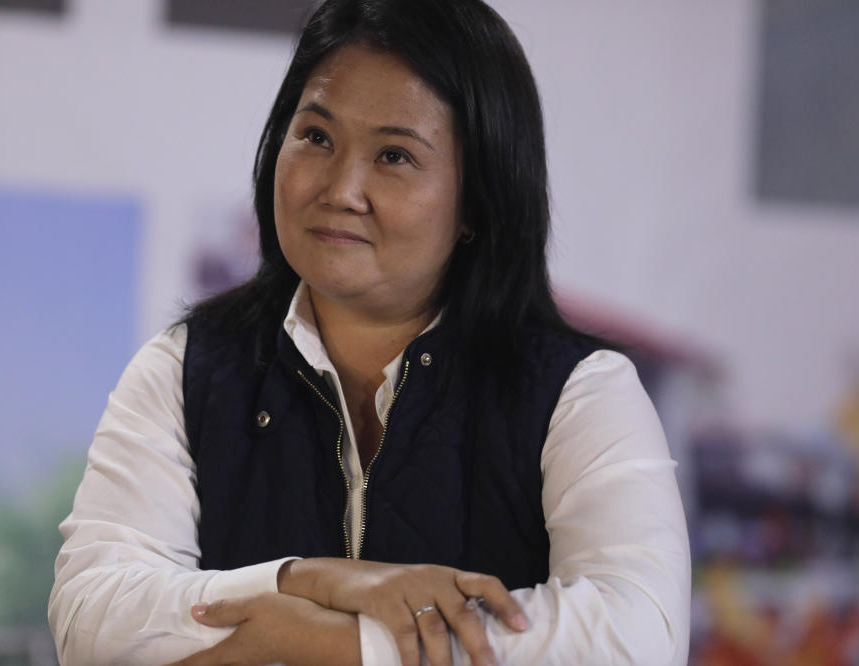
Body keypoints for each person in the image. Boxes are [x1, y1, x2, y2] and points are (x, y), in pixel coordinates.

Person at [48, 0, 691, 664]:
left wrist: (305, 637)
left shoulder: (580, 393)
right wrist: (308, 580)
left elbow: (636, 638)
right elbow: (91, 620)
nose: (341, 188)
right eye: (316, 137)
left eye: (393, 156)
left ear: (476, 200)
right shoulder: (184, 369)